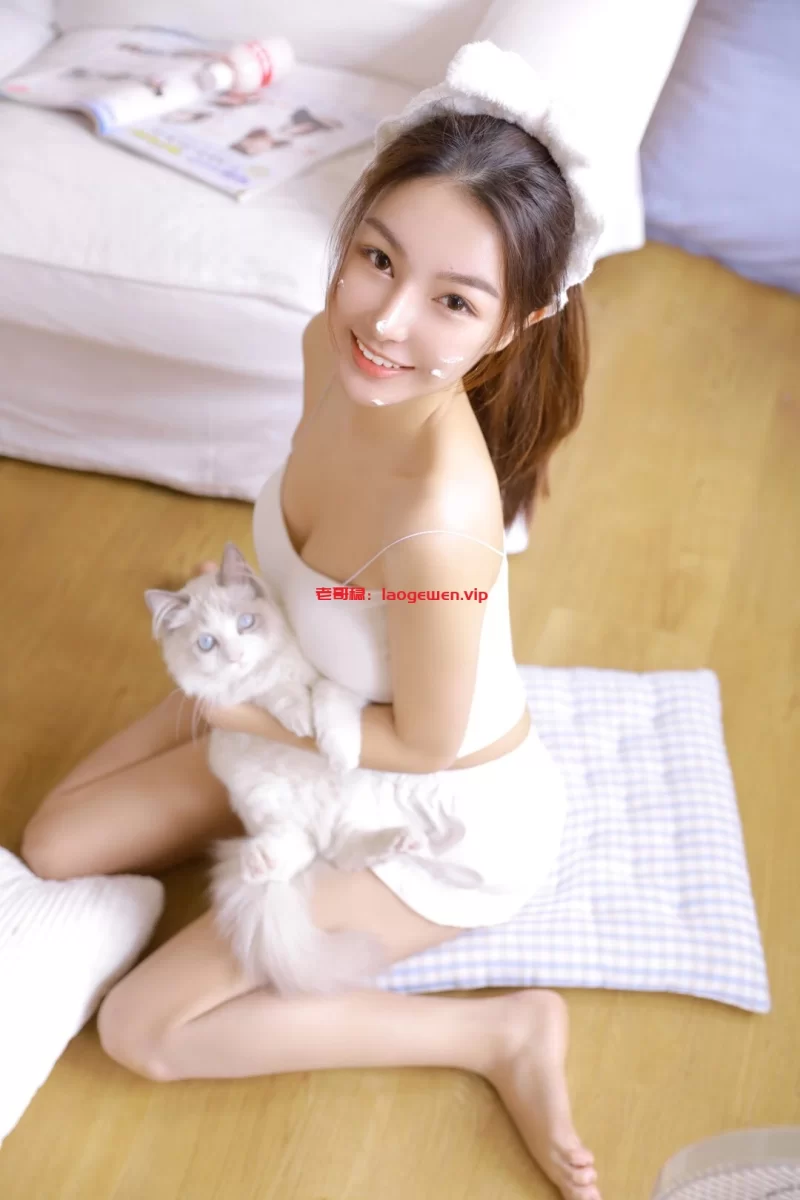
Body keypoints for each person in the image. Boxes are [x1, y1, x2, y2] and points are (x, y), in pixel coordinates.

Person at [18, 42, 604, 1200]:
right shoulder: (325, 353)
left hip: (425, 816)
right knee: (54, 846)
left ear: (517, 320)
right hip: (294, 714)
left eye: (451, 301)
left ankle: (498, 1033)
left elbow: (423, 743)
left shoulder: (439, 525)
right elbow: (314, 571)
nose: (384, 320)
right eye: (376, 258)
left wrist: (241, 714)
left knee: (143, 1028)